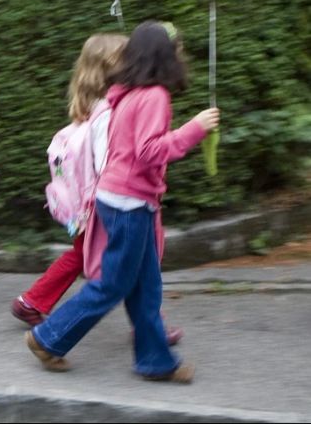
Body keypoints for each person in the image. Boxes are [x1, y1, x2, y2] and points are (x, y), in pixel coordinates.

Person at [26, 21, 220, 383]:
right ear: (163, 55)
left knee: (146, 287)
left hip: (122, 199)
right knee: (112, 285)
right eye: (175, 48)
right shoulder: (154, 96)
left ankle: (156, 362)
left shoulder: (126, 93)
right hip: (130, 202)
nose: (180, 54)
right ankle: (47, 338)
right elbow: (149, 152)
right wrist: (195, 128)